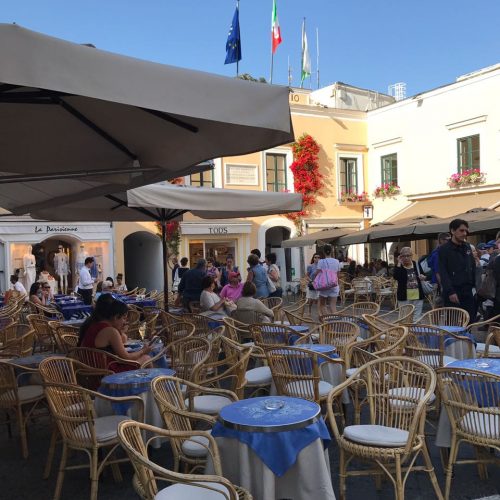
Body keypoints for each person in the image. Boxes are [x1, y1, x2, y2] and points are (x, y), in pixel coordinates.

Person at [78, 297, 151, 366]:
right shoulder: (111, 331)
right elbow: (127, 358)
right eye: (124, 318)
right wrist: (143, 351)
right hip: (106, 371)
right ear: (116, 317)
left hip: (88, 367)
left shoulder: (95, 324)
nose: (125, 322)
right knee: (146, 358)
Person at [438, 219, 476, 320]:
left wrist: (474, 286)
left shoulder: (467, 246)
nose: (464, 233)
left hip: (467, 291)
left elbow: (472, 266)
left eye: (466, 231)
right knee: (453, 322)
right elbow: (443, 272)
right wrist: (450, 291)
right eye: (461, 230)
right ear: (452, 231)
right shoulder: (444, 249)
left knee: (469, 320)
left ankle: (467, 336)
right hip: (453, 291)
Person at [393, 247, 426, 319]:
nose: (406, 258)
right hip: (404, 296)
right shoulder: (399, 266)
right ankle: (406, 330)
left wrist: (423, 277)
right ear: (400, 256)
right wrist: (398, 262)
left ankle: (415, 330)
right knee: (404, 318)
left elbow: (423, 274)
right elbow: (396, 277)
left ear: (411, 256)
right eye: (404, 256)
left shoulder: (416, 264)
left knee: (416, 319)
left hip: (417, 296)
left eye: (408, 255)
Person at [312, 244, 341, 316]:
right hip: (334, 285)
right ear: (331, 251)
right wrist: (338, 283)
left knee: (323, 305)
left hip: (324, 285)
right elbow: (338, 275)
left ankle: (326, 322)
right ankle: (335, 323)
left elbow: (317, 273)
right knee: (333, 306)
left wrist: (314, 279)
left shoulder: (321, 261)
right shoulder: (337, 261)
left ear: (323, 252)